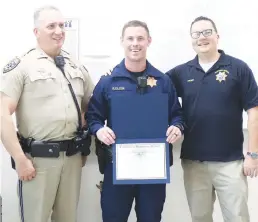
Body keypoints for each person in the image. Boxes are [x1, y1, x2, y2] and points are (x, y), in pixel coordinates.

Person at [0, 6, 94, 222]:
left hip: (72, 159)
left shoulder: (76, 66)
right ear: (36, 32)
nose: (58, 31)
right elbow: (2, 114)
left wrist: (84, 144)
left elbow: (90, 106)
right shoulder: (22, 66)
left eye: (61, 25)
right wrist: (20, 159)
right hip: (38, 162)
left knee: (68, 218)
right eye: (51, 26)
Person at [86, 20, 185, 222]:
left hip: (153, 168)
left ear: (149, 41)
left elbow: (177, 114)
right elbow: (93, 116)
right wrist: (98, 130)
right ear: (122, 42)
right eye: (130, 38)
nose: (135, 43)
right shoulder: (109, 81)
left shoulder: (163, 81)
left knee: (150, 218)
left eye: (140, 38)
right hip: (117, 166)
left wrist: (177, 126)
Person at [166, 16, 258, 222]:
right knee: (200, 218)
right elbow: (156, 86)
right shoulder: (182, 72)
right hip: (194, 163)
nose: (202, 38)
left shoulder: (238, 69)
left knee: (238, 217)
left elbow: (254, 112)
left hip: (231, 163)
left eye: (207, 32)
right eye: (196, 34)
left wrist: (253, 154)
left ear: (217, 36)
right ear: (191, 39)